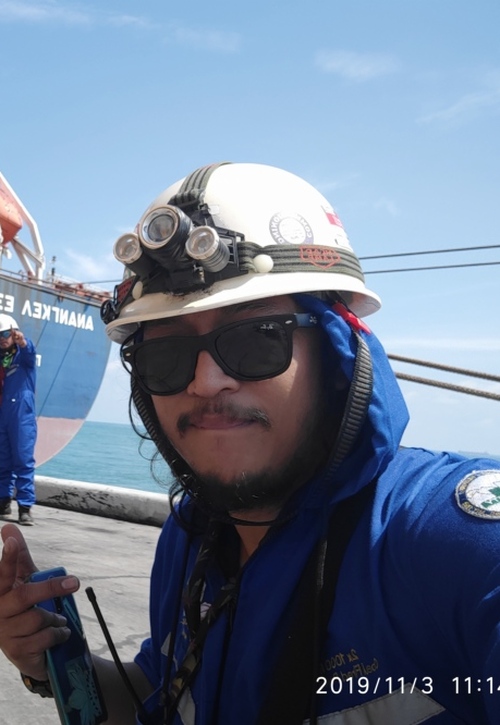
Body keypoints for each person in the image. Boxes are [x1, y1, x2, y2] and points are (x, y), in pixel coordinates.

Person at [1, 162, 500, 725]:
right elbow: (158, 694)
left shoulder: (454, 545)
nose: (205, 381)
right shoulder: (190, 539)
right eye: (165, 356)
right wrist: (55, 661)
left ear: (337, 356)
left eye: (256, 339)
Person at [0, 314, 37, 526]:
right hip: (3, 413)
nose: (2, 338)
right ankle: (3, 502)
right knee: (2, 460)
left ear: (14, 333)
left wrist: (23, 342)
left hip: (22, 415)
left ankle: (25, 508)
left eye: (6, 333)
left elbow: (30, 351)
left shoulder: (23, 358)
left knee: (23, 461)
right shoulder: (2, 361)